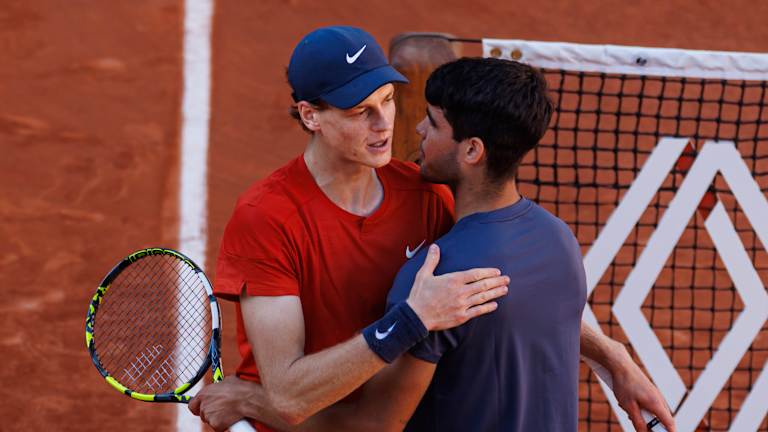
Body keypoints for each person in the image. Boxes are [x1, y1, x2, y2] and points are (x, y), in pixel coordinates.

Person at [190, 26, 675, 432]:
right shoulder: (268, 216)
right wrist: (410, 322)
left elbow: (495, 294)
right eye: (362, 112)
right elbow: (290, 395)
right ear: (310, 115)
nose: (385, 125)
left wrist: (613, 357)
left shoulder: (428, 194)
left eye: (389, 100)